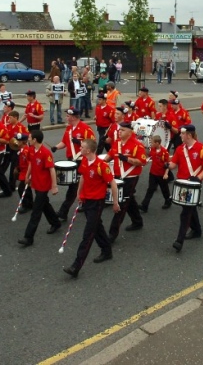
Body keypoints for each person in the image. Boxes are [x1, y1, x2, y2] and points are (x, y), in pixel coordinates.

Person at [63, 139, 120, 278]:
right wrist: (79, 193)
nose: (80, 149)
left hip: (97, 202)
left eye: (82, 147)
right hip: (87, 200)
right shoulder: (84, 160)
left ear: (88, 150)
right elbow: (83, 177)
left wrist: (115, 203)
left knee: (88, 234)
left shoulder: (101, 166)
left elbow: (113, 184)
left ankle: (76, 266)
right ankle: (107, 251)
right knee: (97, 226)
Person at [167, 125, 203, 252]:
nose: (180, 136)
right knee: (189, 207)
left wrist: (198, 178)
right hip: (182, 183)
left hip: (193, 184)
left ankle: (179, 240)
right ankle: (197, 230)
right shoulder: (180, 149)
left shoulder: (201, 148)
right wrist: (165, 163)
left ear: (189, 135)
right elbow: (173, 165)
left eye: (182, 134)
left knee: (185, 212)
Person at [104, 122, 147, 243]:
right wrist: (100, 162)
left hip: (131, 176)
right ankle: (137, 221)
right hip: (118, 176)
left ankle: (112, 233)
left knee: (122, 203)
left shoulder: (137, 145)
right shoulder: (117, 143)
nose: (119, 131)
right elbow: (109, 156)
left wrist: (127, 159)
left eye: (122, 130)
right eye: (119, 130)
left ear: (130, 132)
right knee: (129, 199)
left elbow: (142, 161)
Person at [51, 107, 96, 222]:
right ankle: (85, 204)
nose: (66, 117)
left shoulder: (86, 129)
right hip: (71, 159)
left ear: (74, 117)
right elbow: (64, 142)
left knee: (73, 187)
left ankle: (63, 212)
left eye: (68, 116)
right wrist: (56, 147)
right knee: (80, 185)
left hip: (81, 160)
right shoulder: (68, 129)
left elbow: (92, 145)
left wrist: (80, 142)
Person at [18, 130, 61, 246]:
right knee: (45, 205)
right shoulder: (31, 150)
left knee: (36, 212)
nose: (28, 140)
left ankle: (28, 237)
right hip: (36, 183)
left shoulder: (46, 153)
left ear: (35, 140)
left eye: (30, 138)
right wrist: (27, 176)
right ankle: (55, 222)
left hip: (43, 185)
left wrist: (54, 186)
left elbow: (51, 169)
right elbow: (31, 163)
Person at [139, 135, 171, 212]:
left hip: (161, 174)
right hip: (153, 173)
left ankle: (168, 200)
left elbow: (168, 164)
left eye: (153, 143)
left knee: (164, 189)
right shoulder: (153, 149)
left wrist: (166, 174)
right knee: (150, 189)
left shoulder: (164, 152)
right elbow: (148, 154)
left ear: (157, 143)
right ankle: (144, 205)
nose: (151, 144)